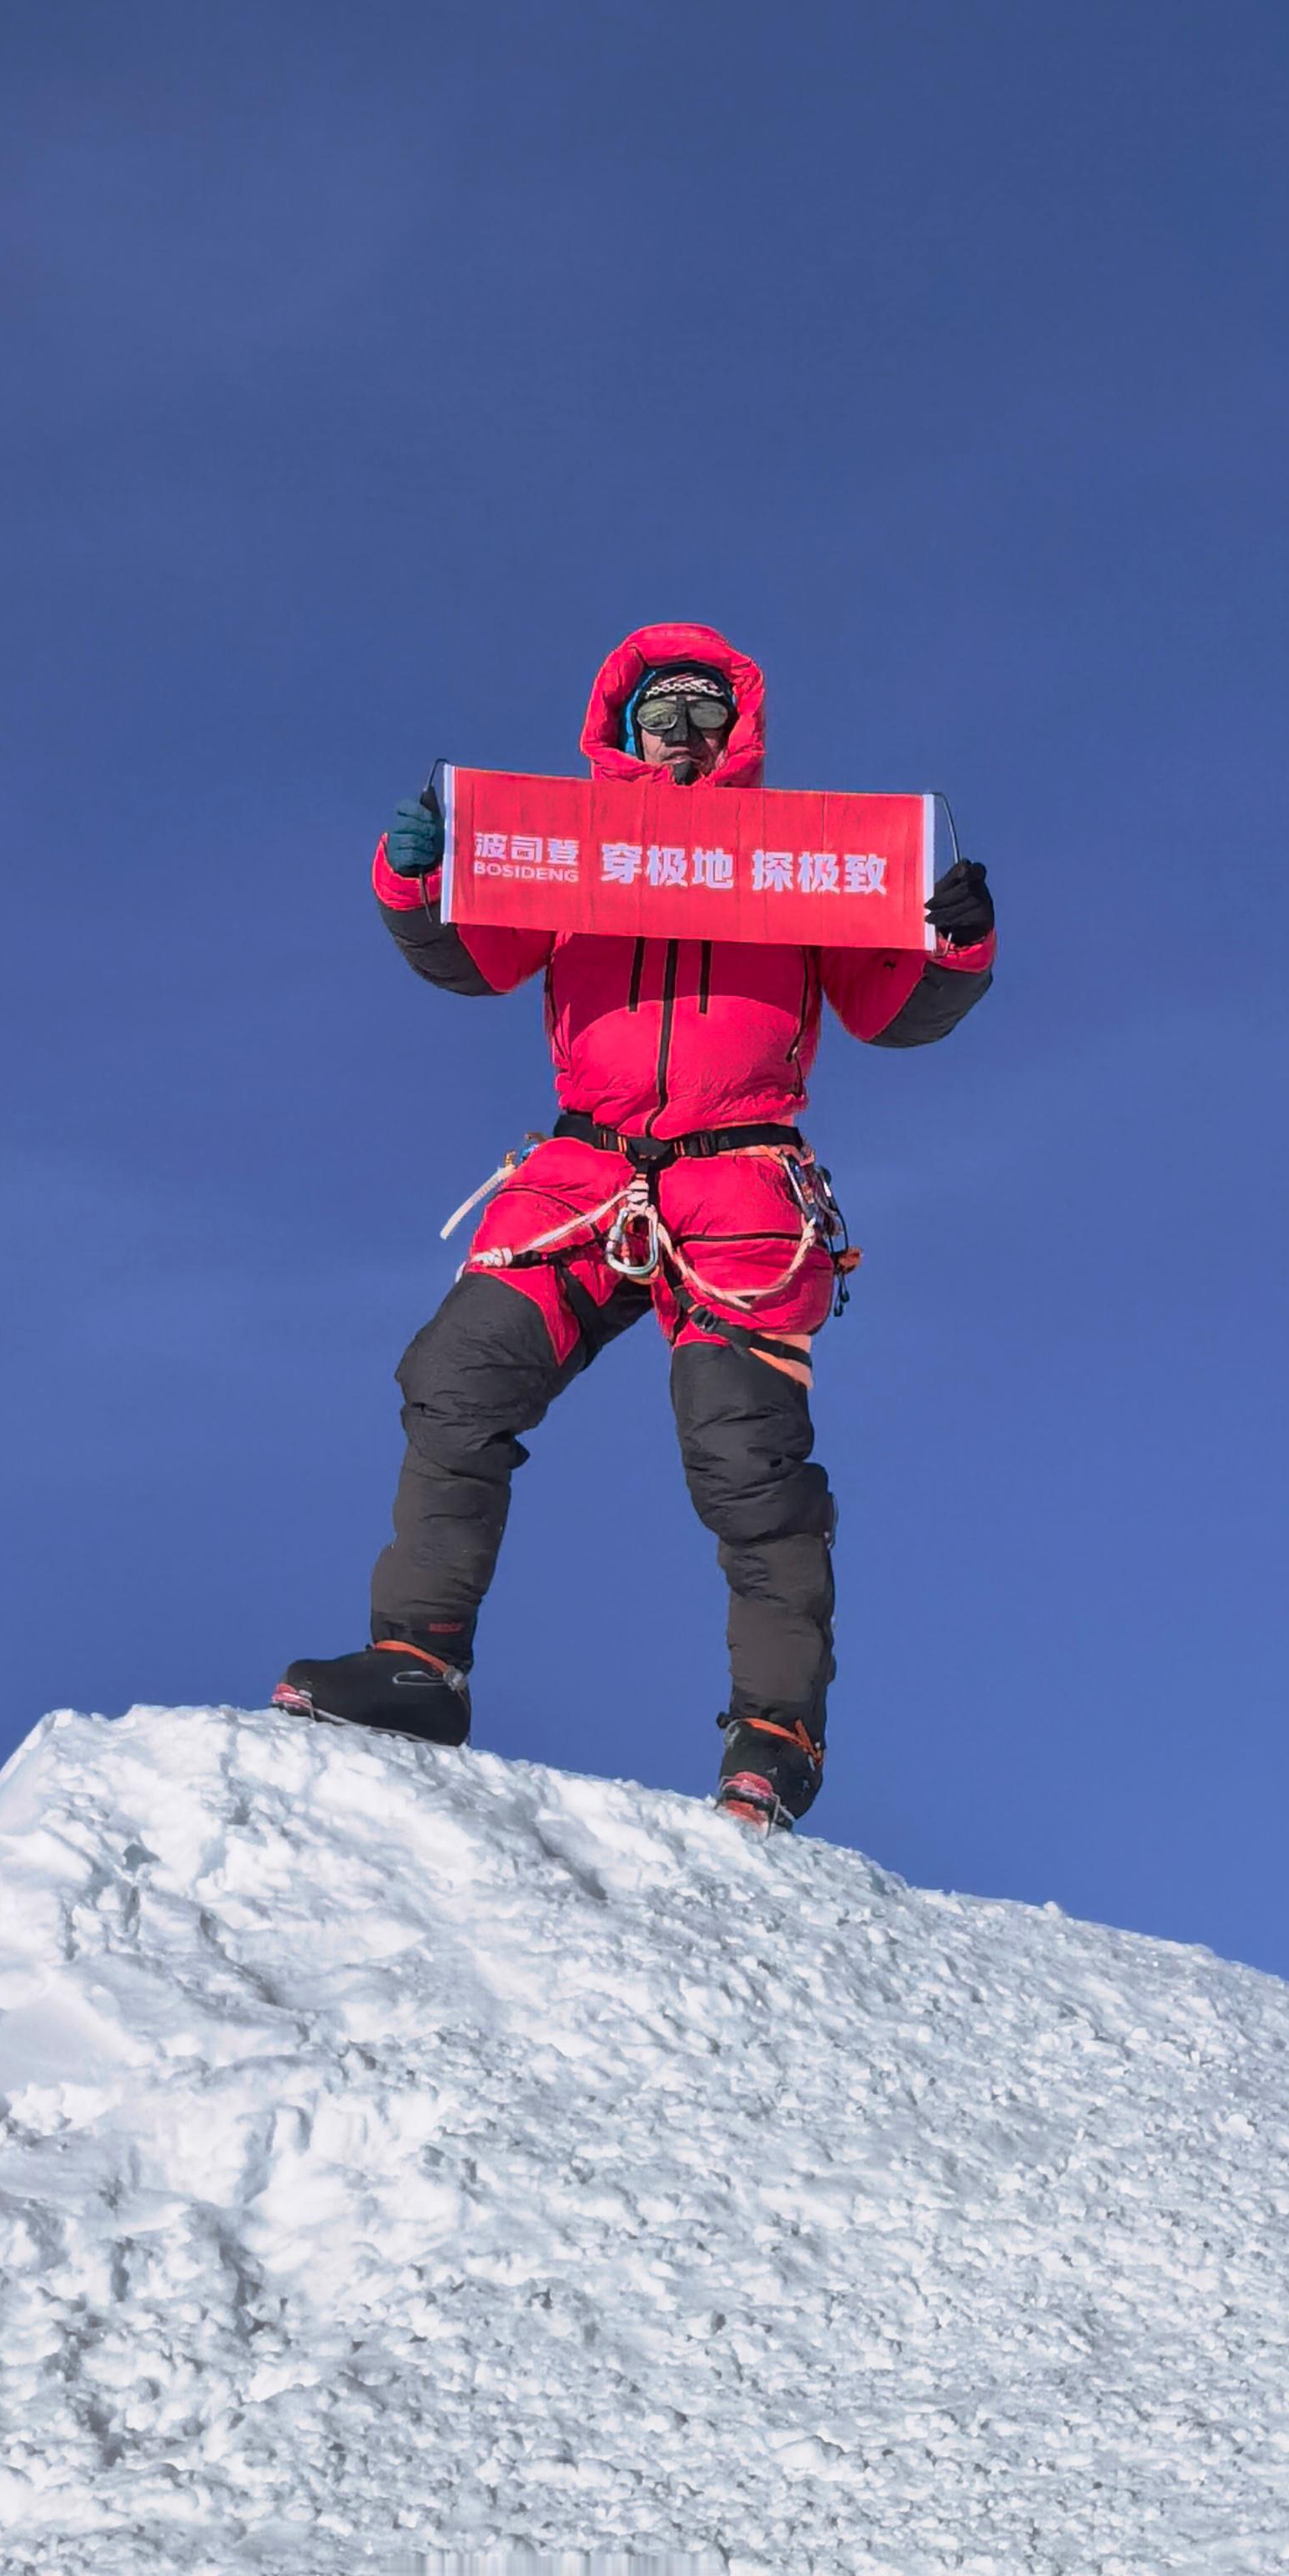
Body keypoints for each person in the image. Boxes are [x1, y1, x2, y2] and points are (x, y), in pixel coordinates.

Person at [275, 622, 995, 1830]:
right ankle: (418, 1665)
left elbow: (894, 1006)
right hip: (583, 1172)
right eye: (659, 714)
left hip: (740, 1190)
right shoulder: (568, 854)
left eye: (705, 714)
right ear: (620, 732)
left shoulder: (800, 862)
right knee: (457, 1377)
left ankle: (774, 1732)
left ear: (741, 730)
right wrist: (418, 873)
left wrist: (951, 933)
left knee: (743, 1450)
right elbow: (470, 953)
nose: (681, 735)